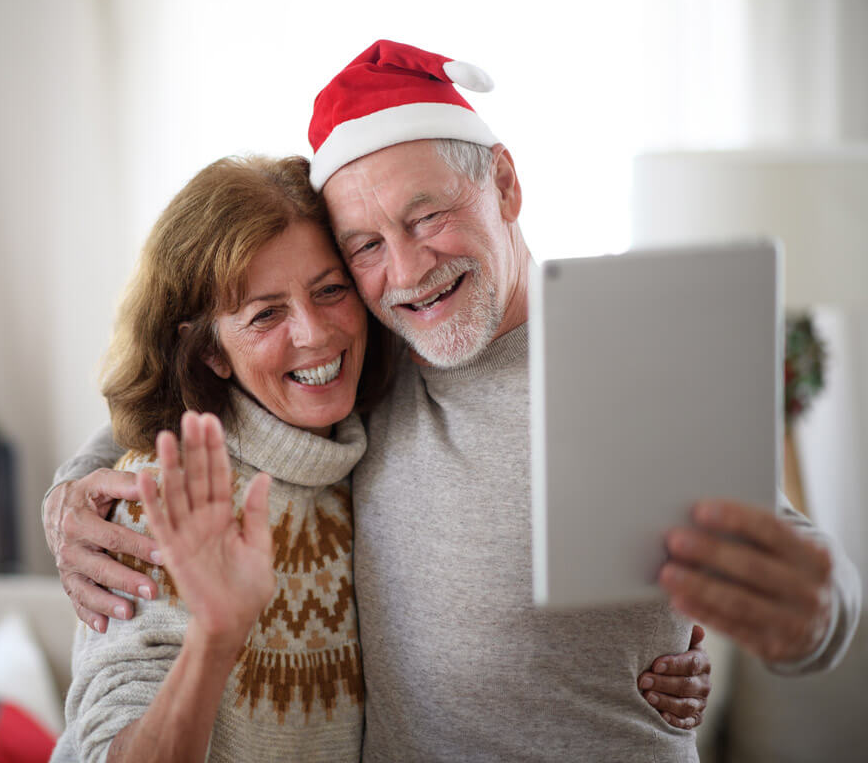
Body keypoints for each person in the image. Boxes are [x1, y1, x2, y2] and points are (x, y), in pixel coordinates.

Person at [44, 40, 860, 760]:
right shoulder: (370, 351)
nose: (405, 271)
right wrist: (70, 496)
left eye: (427, 215)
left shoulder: (625, 347)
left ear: (503, 184)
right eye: (365, 246)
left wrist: (817, 614)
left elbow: (795, 559)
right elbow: (195, 387)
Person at [50, 154, 709, 762]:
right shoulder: (156, 508)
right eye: (265, 314)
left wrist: (650, 646)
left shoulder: (364, 428)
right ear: (211, 352)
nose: (314, 335)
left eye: (331, 290)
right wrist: (215, 637)